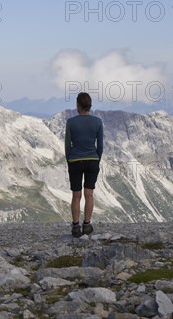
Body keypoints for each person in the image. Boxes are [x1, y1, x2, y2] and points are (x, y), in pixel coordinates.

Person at [64, 92, 103, 238]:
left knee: (76, 195)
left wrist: (69, 159)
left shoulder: (71, 122)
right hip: (92, 160)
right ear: (90, 105)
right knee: (89, 194)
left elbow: (68, 145)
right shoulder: (97, 122)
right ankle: (87, 225)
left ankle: (75, 227)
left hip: (75, 161)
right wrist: (97, 158)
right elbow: (100, 145)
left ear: (78, 105)